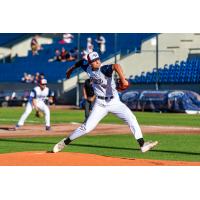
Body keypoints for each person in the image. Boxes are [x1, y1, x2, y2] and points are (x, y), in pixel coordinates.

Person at [52, 52, 158, 153]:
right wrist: (71, 69)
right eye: (94, 60)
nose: (97, 61)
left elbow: (116, 66)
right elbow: (81, 62)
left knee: (132, 118)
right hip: (100, 104)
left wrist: (123, 79)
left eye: (97, 59)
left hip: (114, 102)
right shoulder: (88, 68)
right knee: (87, 128)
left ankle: (142, 144)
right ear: (90, 63)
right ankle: (65, 142)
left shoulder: (104, 69)